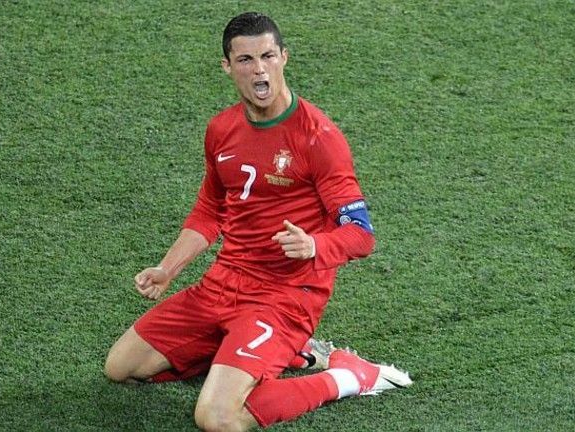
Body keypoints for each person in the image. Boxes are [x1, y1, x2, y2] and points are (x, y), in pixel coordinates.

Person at [104, 12, 412, 431]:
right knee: (122, 367)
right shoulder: (221, 129)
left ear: (284, 57)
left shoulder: (317, 138)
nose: (259, 68)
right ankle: (285, 354)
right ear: (228, 67)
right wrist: (167, 268)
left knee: (217, 417)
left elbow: (361, 235)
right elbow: (211, 210)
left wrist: (315, 247)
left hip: (285, 296)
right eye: (246, 60)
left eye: (268, 55)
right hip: (224, 282)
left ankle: (347, 377)